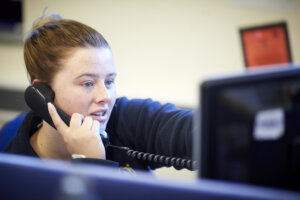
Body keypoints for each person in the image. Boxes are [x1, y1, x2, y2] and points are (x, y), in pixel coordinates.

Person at [4, 13, 194, 171]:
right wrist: (92, 162)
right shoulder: (14, 172)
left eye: (109, 81)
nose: (105, 97)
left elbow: (197, 131)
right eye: (87, 83)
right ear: (42, 92)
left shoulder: (125, 118)